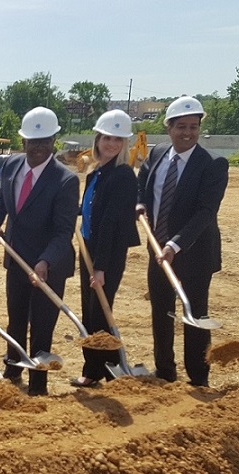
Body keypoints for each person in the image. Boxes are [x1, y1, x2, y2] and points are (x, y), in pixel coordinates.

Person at [137, 97, 228, 387]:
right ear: (169, 128)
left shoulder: (212, 164)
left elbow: (205, 212)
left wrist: (174, 245)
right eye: (181, 127)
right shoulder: (157, 154)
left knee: (194, 314)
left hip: (194, 253)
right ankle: (164, 370)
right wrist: (140, 204)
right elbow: (143, 182)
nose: (187, 132)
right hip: (158, 249)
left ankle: (198, 377)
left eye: (193, 127)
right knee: (162, 312)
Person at [0, 107, 79, 396]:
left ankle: (38, 384)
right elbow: (1, 201)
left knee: (42, 325)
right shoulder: (11, 166)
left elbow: (64, 230)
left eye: (45, 141)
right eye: (32, 142)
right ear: (23, 142)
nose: (38, 148)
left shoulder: (65, 180)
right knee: (16, 318)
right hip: (16, 258)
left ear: (54, 141)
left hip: (48, 266)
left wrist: (45, 261)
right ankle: (13, 366)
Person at [71, 110, 140, 387]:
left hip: (106, 254)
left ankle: (95, 370)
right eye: (107, 138)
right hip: (88, 247)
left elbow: (111, 222)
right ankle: (104, 366)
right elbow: (91, 210)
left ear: (124, 144)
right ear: (97, 139)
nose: (111, 144)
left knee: (100, 311)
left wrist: (100, 267)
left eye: (118, 139)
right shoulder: (95, 173)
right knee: (89, 311)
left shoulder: (123, 176)